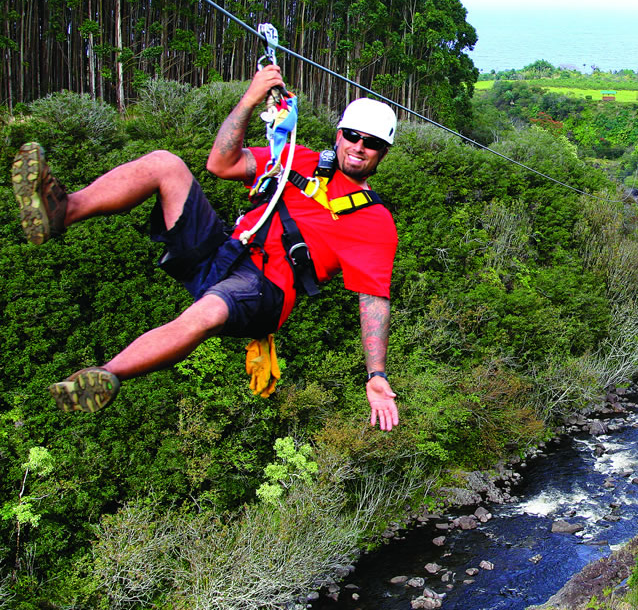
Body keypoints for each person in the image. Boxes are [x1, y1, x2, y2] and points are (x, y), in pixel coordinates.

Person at [10, 64, 400, 430]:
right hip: (227, 252)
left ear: (382, 153)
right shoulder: (299, 158)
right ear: (339, 133)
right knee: (164, 164)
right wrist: (248, 100)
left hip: (268, 289)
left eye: (371, 143)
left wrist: (376, 375)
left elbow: (373, 301)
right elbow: (221, 163)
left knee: (207, 312)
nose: (358, 147)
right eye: (353, 135)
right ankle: (62, 210)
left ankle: (107, 376)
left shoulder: (375, 221)